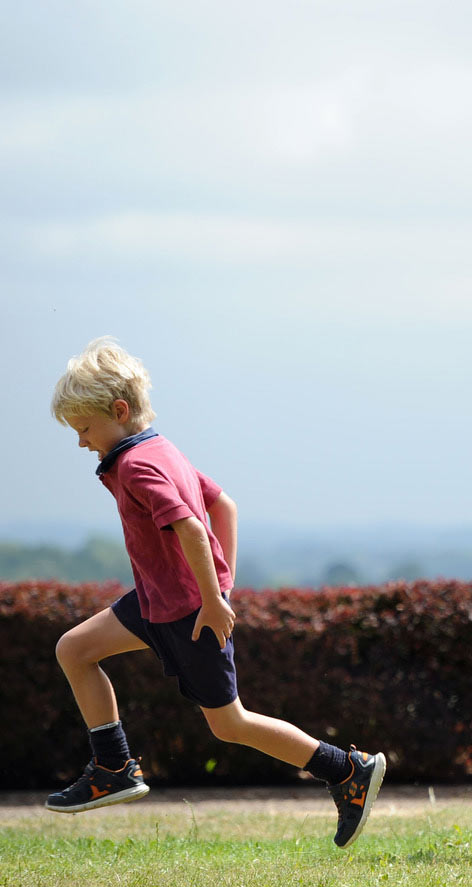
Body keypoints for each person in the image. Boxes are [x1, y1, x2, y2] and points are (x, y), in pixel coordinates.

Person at [47, 337, 386, 849]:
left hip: (187, 614)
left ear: (118, 411)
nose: (81, 443)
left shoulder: (138, 465)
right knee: (74, 648)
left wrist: (212, 600)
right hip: (156, 602)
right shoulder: (160, 448)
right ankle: (113, 765)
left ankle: (346, 770)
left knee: (230, 724)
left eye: (85, 429)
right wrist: (223, 585)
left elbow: (191, 527)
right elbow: (223, 505)